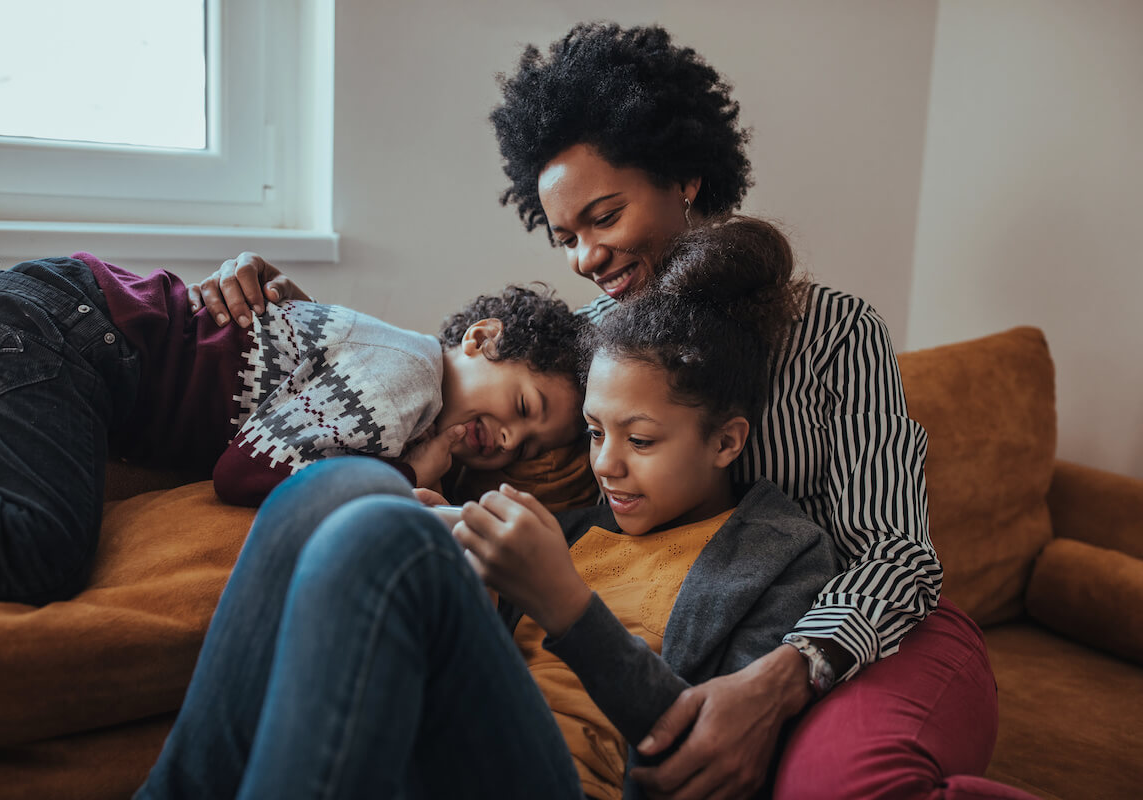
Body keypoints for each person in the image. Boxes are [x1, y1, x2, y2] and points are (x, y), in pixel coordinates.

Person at [191, 21, 1004, 799]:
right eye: (565, 237)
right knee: (339, 498)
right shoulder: (587, 349)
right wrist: (303, 322)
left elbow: (897, 552)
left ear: (685, 178)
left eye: (605, 217)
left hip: (797, 639)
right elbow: (448, 384)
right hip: (575, 647)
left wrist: (783, 676)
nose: (586, 258)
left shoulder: (832, 335)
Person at [136, 215, 837, 800]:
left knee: (387, 536)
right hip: (450, 752)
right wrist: (454, 548)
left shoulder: (780, 553)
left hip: (575, 783)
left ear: (726, 440)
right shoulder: (572, 523)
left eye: (642, 439)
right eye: (594, 432)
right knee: (337, 491)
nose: (606, 464)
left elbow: (713, 758)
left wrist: (565, 605)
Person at [0, 253, 586, 606]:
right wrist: (411, 474)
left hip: (51, 309)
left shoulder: (395, 367)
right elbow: (248, 470)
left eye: (528, 447)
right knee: (40, 551)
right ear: (480, 338)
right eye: (524, 407)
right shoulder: (410, 377)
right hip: (76, 336)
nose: (508, 441)